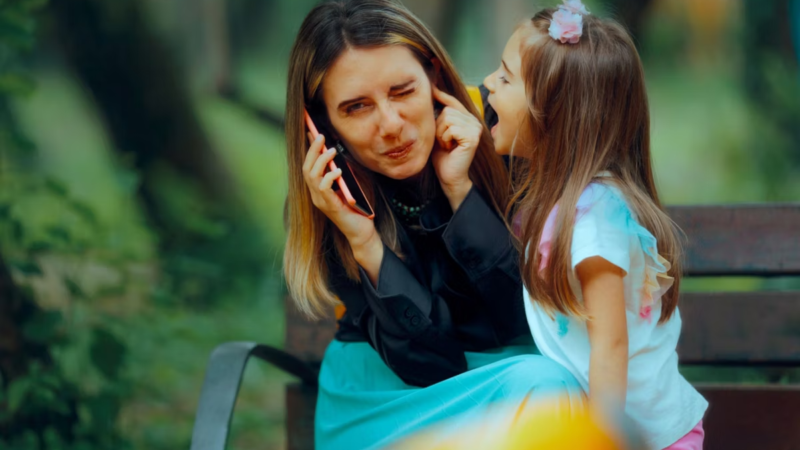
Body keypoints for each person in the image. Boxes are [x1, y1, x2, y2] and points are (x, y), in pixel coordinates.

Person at [283, 1, 584, 448]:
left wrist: (461, 192)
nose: (391, 125)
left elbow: (526, 321)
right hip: (378, 400)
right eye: (356, 107)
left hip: (512, 381)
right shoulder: (328, 201)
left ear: (434, 77)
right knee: (546, 390)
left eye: (402, 91)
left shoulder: (505, 140)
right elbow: (429, 364)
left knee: (547, 389)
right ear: (321, 125)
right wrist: (365, 244)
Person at [482, 1, 708, 448]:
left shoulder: (595, 218)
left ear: (553, 115)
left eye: (506, 78)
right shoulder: (561, 203)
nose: (488, 83)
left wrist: (600, 441)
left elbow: (610, 347)